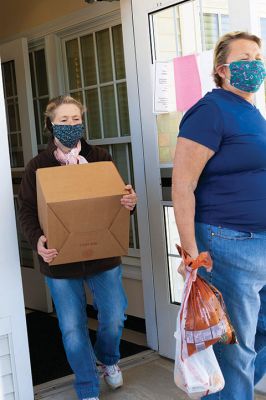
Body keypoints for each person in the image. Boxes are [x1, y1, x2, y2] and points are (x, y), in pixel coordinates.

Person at [18, 95, 137, 400]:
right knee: (72, 329)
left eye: (76, 119)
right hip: (59, 259)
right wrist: (38, 242)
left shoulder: (100, 157)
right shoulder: (37, 166)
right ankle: (87, 385)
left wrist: (129, 202)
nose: (71, 125)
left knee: (114, 316)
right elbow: (28, 211)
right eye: (64, 120)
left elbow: (117, 200)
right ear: (50, 124)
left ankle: (107, 360)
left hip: (103, 257)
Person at [172, 31, 266, 399]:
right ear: (223, 69)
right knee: (236, 348)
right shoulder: (210, 111)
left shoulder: (250, 111)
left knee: (244, 345)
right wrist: (192, 255)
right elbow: (182, 185)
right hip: (229, 243)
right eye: (246, 57)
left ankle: (222, 393)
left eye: (259, 57)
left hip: (259, 242)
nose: (255, 64)